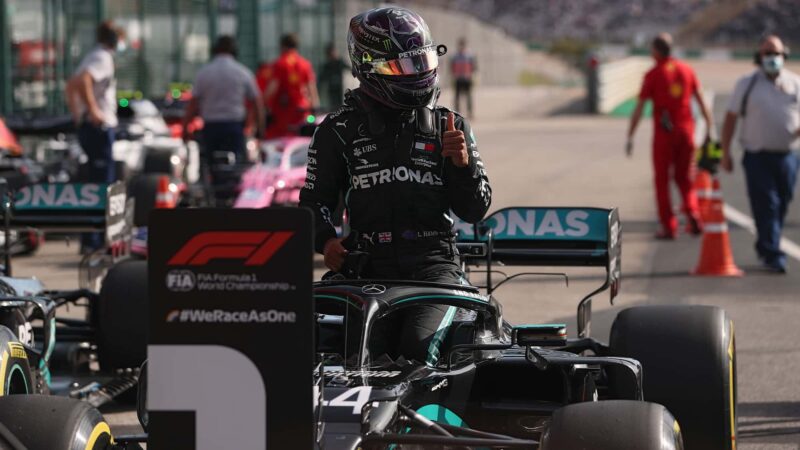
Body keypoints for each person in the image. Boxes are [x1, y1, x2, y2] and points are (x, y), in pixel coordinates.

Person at [299, 7, 491, 366]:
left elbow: (476, 209)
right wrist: (325, 242)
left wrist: (462, 166)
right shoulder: (337, 131)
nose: (416, 73)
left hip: (434, 267)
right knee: (356, 357)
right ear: (367, 66)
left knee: (417, 350)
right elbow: (312, 204)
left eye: (421, 61)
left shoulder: (450, 126)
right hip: (366, 270)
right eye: (403, 65)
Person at [721, 35, 800, 274]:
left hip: (788, 156)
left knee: (782, 202)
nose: (772, 58)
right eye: (767, 53)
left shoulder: (795, 83)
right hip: (757, 156)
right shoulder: (747, 84)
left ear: (784, 55)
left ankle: (767, 245)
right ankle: (772, 253)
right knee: (767, 204)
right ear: (759, 57)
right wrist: (725, 152)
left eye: (776, 53)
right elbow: (731, 118)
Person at [626, 33, 713, 240]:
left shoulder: (653, 74)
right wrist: (709, 127)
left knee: (662, 180)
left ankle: (668, 226)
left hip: (664, 135)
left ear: (656, 51)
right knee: (684, 177)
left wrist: (630, 135)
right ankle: (692, 212)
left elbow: (639, 109)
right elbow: (701, 101)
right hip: (686, 131)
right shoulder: (687, 69)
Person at [65, 21, 121, 253]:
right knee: (102, 186)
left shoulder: (92, 56)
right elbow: (82, 81)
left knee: (94, 184)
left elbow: (72, 84)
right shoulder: (102, 57)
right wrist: (93, 111)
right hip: (99, 128)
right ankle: (95, 241)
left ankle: (92, 240)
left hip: (90, 126)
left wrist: (78, 114)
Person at [182, 35, 264, 163]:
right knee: (236, 164)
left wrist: (185, 128)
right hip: (234, 127)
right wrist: (260, 129)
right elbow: (257, 102)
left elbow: (193, 104)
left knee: (210, 165)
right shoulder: (243, 72)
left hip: (211, 128)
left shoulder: (204, 73)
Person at [264, 34, 319, 138]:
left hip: (282, 113)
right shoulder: (305, 64)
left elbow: (271, 89)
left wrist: (263, 104)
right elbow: (312, 90)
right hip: (301, 111)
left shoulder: (279, 64)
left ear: (283, 46)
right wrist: (314, 109)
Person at [450, 37, 477, 118]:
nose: (461, 47)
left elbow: (474, 67)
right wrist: (453, 75)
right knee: (457, 96)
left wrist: (472, 75)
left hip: (467, 78)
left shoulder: (470, 55)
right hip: (458, 78)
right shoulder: (455, 56)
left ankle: (470, 112)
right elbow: (452, 67)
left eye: (463, 45)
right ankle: (457, 113)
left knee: (468, 96)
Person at [317, 43, 349, 109]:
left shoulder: (339, 62)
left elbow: (348, 67)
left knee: (340, 104)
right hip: (332, 89)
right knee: (333, 105)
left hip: (339, 88)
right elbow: (321, 78)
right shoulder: (327, 66)